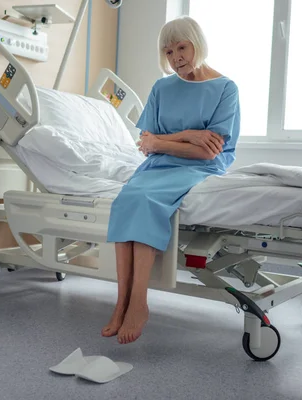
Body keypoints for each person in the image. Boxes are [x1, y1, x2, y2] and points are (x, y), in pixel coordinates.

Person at [103, 16, 240, 344]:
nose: (176, 56)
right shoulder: (162, 87)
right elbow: (146, 142)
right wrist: (188, 135)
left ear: (197, 45)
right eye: (168, 51)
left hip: (198, 168)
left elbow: (209, 152)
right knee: (126, 200)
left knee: (147, 200)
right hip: (158, 164)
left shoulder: (225, 89)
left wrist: (164, 142)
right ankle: (121, 301)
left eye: (182, 47)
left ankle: (139, 303)